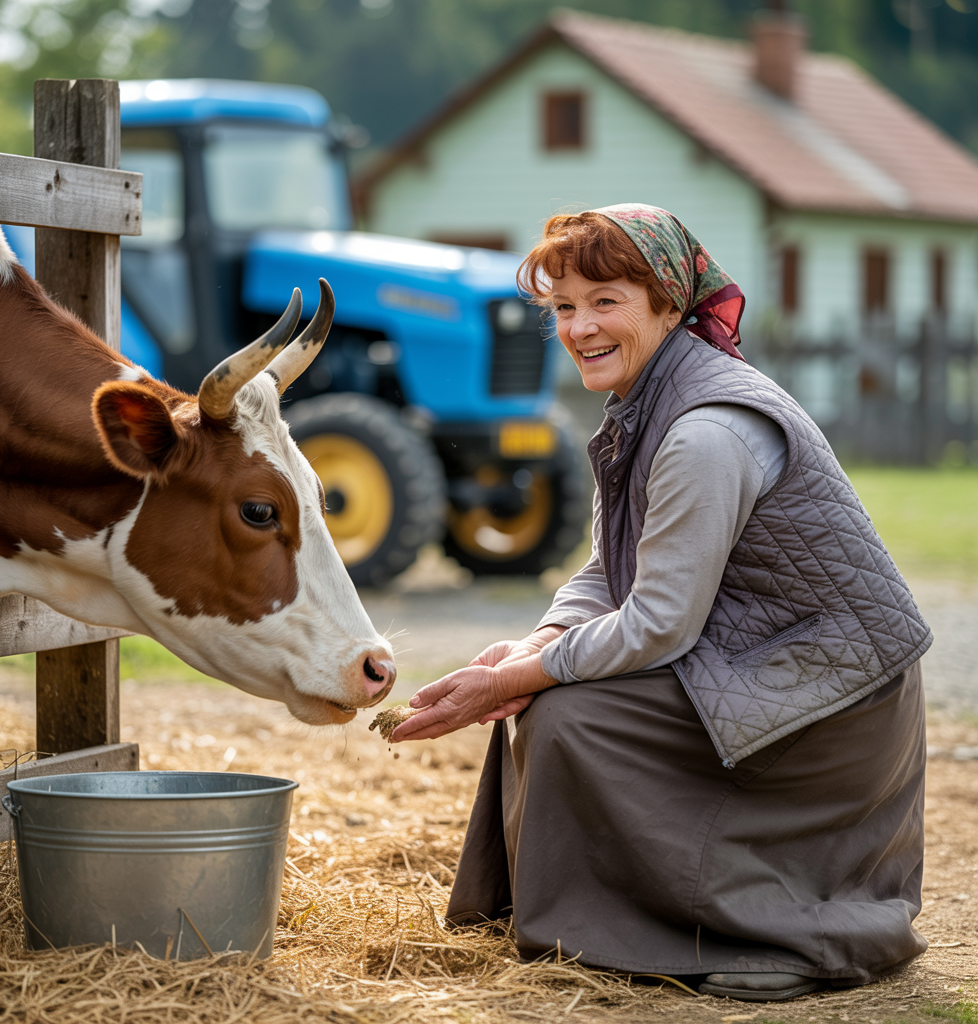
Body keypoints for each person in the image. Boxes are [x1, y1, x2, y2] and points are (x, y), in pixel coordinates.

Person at [390, 205, 932, 1003]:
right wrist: (535, 644)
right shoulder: (648, 400)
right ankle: (608, 926)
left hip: (832, 708)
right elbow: (609, 567)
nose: (580, 327)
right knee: (549, 696)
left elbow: (657, 624)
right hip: (764, 668)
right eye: (564, 307)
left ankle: (778, 934)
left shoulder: (705, 430)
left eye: (605, 301)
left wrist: (515, 680)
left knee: (568, 712)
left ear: (670, 304)